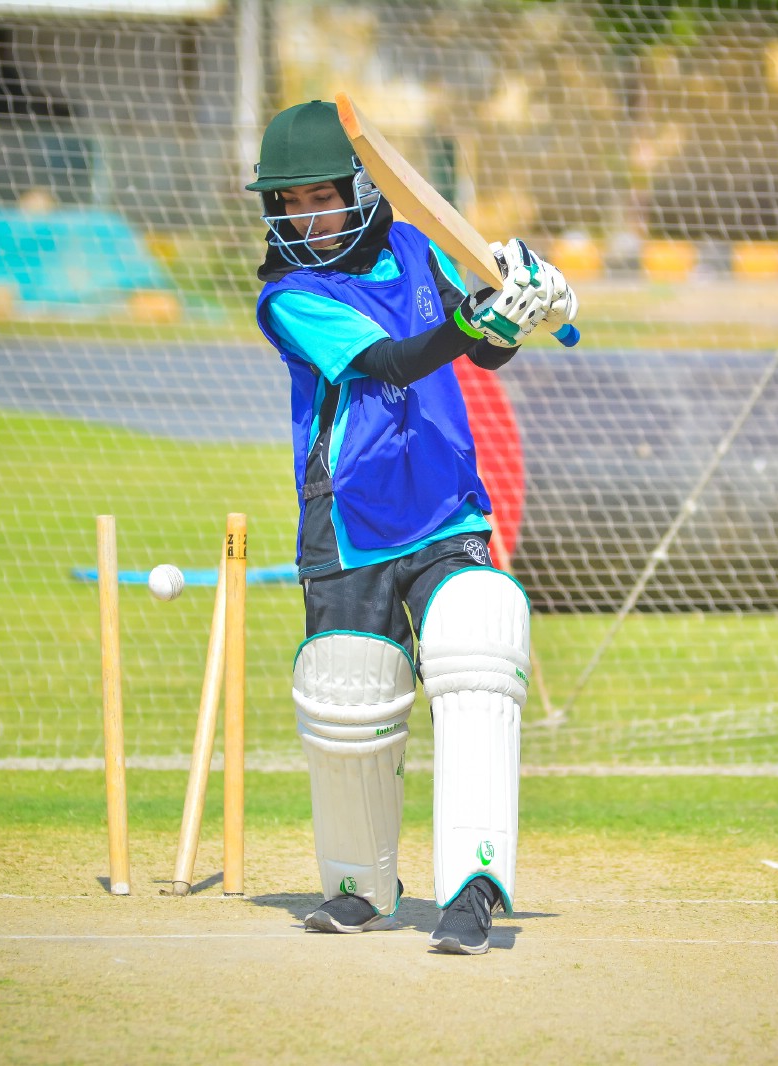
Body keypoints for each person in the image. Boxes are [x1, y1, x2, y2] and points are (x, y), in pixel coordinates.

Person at [248, 100, 575, 954]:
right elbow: (390, 360)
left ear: (358, 190)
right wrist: (471, 323)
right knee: (348, 690)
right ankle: (359, 886)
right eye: (289, 203)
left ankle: (474, 886)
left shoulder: (412, 248)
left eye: (320, 198)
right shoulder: (290, 298)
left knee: (478, 639)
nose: (305, 219)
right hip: (349, 525)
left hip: (443, 505)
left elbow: (480, 349)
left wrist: (515, 309)